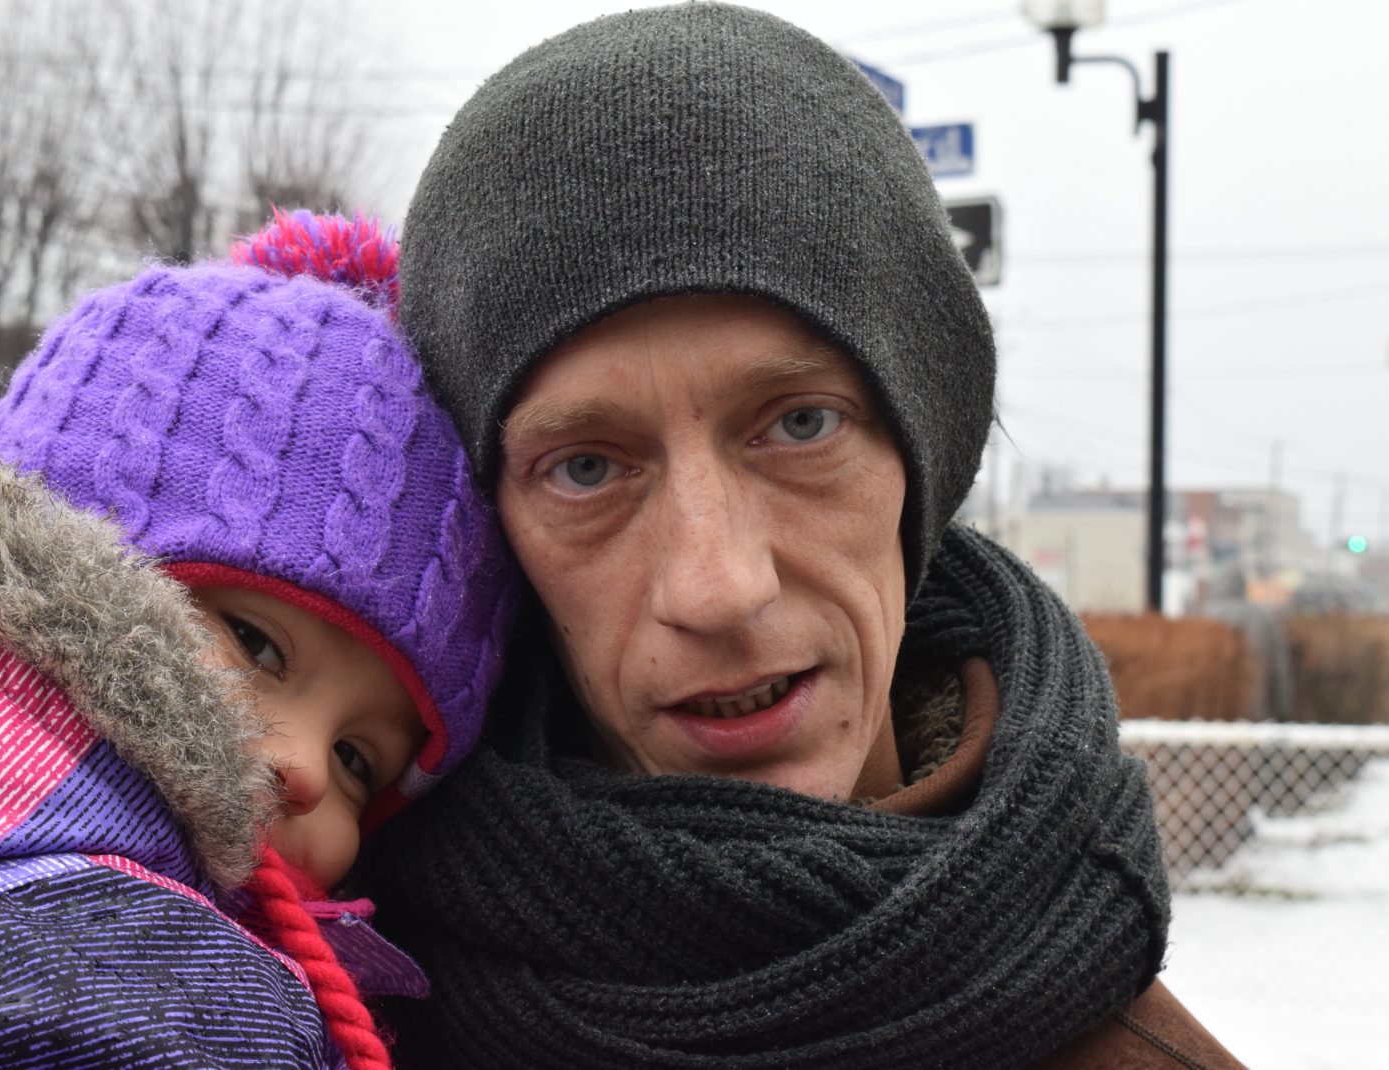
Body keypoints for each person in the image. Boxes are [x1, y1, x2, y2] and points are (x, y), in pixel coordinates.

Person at [362, 6, 1247, 1069]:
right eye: (586, 467)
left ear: (921, 453)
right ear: (486, 524)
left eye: (799, 424)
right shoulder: (304, 1007)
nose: (719, 585)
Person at [0, 212, 513, 1069]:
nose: (307, 771)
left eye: (360, 762)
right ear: (62, 569)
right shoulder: (120, 969)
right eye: (256, 645)